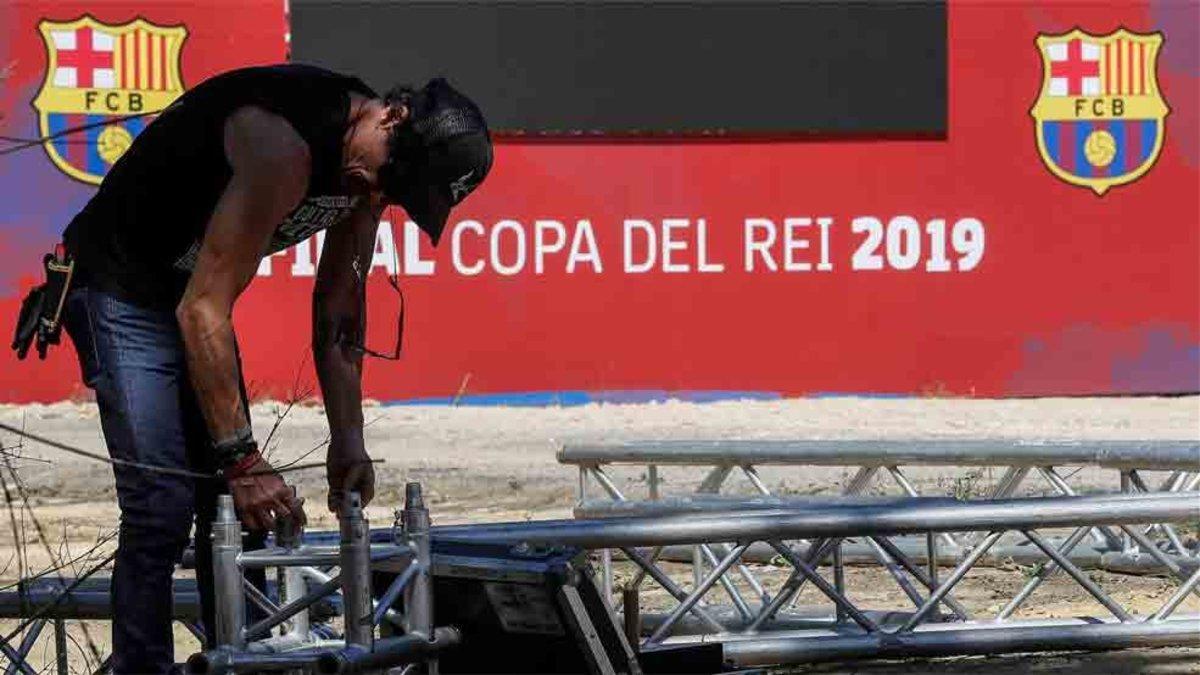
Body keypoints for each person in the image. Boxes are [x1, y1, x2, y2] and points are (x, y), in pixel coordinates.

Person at [55, 64, 492, 672]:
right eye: (390, 177)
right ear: (392, 116)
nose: (377, 194)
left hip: (188, 294)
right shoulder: (281, 145)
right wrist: (241, 458)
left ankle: (235, 658)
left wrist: (348, 438)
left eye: (396, 194)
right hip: (119, 286)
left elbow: (339, 315)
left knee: (236, 511)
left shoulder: (369, 177)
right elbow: (204, 311)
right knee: (162, 501)